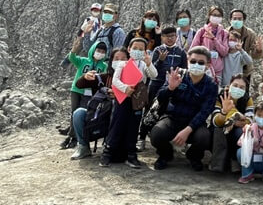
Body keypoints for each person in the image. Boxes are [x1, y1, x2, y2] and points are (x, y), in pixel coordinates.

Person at [150, 46, 218, 171]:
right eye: (193, 61)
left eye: (201, 62)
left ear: (208, 65)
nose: (196, 64)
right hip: (172, 118)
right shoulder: (177, 74)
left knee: (204, 138)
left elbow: (205, 111)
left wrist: (187, 130)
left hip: (194, 123)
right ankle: (166, 155)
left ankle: (194, 156)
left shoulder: (211, 85)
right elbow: (160, 98)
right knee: (156, 134)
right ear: (187, 61)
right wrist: (170, 88)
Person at [100, 37, 157, 168]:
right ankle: (107, 153)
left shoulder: (144, 65)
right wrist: (125, 89)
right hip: (123, 99)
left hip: (137, 100)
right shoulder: (122, 64)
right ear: (129, 49)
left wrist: (149, 63)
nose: (137, 51)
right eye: (135, 48)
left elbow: (154, 75)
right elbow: (115, 81)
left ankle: (131, 155)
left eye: (141, 49)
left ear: (145, 51)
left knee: (133, 126)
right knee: (117, 124)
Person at [137, 24, 187, 151]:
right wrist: (160, 60)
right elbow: (151, 68)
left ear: (176, 36)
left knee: (170, 111)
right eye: (166, 36)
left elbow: (184, 70)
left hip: (173, 86)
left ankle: (175, 140)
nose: (170, 38)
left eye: (172, 36)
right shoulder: (158, 50)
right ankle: (141, 138)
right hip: (157, 84)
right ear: (162, 37)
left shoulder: (181, 52)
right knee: (150, 111)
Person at [70, 47, 126, 160]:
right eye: (116, 58)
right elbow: (79, 85)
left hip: (118, 119)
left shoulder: (130, 80)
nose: (120, 62)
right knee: (79, 113)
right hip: (99, 116)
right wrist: (85, 77)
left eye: (123, 59)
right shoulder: (104, 77)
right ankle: (83, 146)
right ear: (111, 61)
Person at [60, 37, 108, 149]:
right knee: (73, 112)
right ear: (93, 50)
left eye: (102, 52)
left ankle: (75, 138)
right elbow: (72, 58)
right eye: (98, 50)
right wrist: (74, 49)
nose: (100, 53)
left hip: (90, 93)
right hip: (76, 90)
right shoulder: (83, 61)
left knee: (80, 113)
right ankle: (71, 137)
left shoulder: (104, 66)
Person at [209, 74, 254, 173]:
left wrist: (233, 120)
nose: (238, 89)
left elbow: (250, 120)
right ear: (229, 85)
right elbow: (216, 121)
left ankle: (235, 160)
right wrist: (225, 113)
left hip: (237, 127)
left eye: (242, 87)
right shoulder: (220, 96)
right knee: (219, 129)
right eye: (235, 85)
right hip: (220, 127)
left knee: (241, 132)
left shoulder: (247, 99)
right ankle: (217, 163)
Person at [236, 101, 263, 186]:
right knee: (240, 151)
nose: (261, 118)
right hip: (251, 159)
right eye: (259, 115)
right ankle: (248, 174)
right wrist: (248, 136)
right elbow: (240, 143)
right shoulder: (250, 127)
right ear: (255, 115)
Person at [190, 6, 229, 85]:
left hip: (218, 70)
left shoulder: (224, 33)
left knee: (215, 93)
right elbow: (192, 50)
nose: (216, 17)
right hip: (202, 68)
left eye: (218, 16)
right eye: (214, 15)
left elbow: (224, 52)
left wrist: (214, 39)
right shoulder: (201, 31)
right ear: (209, 16)